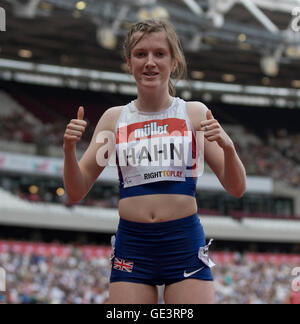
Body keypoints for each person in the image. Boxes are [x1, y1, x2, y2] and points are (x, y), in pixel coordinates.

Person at [63, 19, 246, 304]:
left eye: (159, 54)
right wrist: (68, 150)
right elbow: (76, 190)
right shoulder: (114, 119)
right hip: (133, 244)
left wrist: (229, 148)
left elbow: (237, 187)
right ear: (129, 62)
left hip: (183, 242)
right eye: (141, 54)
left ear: (173, 62)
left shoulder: (195, 113)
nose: (150, 62)